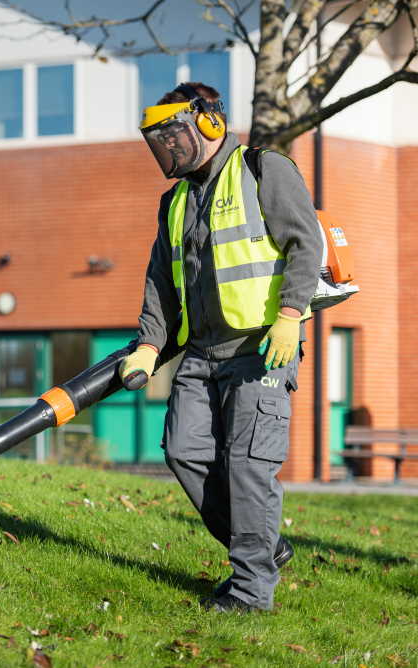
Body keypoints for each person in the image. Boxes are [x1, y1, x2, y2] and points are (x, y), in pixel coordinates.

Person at [120, 83, 323, 613]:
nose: (169, 148)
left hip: (263, 348)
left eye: (175, 134)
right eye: (160, 139)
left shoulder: (263, 169)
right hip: (203, 354)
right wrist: (148, 343)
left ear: (209, 123)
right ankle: (266, 547)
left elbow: (307, 242)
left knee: (249, 467)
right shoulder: (175, 200)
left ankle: (252, 593)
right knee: (184, 452)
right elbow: (161, 282)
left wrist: (289, 316)